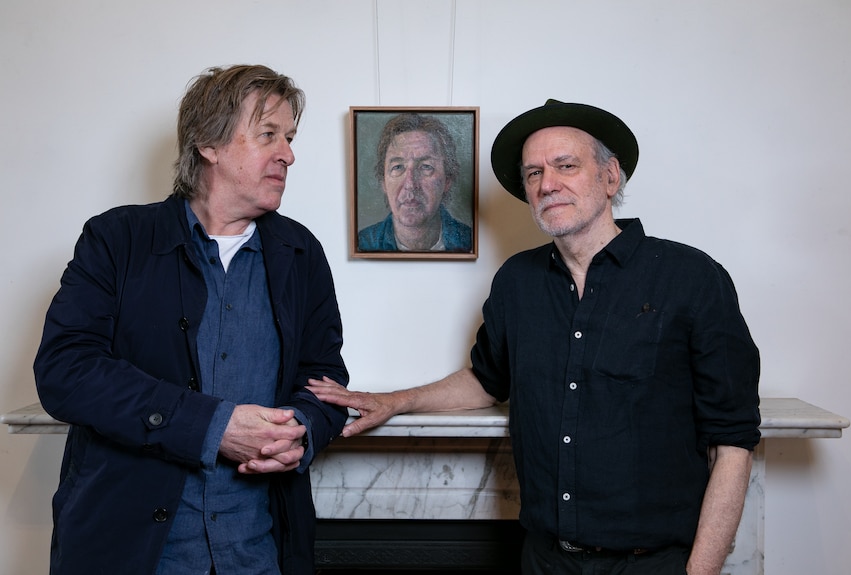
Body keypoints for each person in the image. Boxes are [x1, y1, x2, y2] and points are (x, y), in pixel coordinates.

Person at [310, 99, 761, 575]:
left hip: (656, 563)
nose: (548, 184)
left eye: (566, 166)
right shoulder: (516, 282)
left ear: (611, 177)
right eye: (533, 174)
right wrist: (394, 401)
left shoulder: (691, 277)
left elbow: (732, 442)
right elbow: (486, 381)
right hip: (545, 559)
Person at [33, 65, 349, 575]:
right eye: (268, 134)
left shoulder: (300, 253)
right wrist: (214, 427)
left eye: (289, 138)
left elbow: (325, 379)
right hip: (130, 555)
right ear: (209, 142)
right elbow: (65, 372)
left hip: (259, 554)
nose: (288, 153)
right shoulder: (116, 239)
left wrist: (301, 431)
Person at [357, 112, 473, 252]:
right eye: (398, 167)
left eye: (426, 167)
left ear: (447, 180)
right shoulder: (365, 243)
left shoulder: (468, 240)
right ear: (383, 181)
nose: (410, 184)